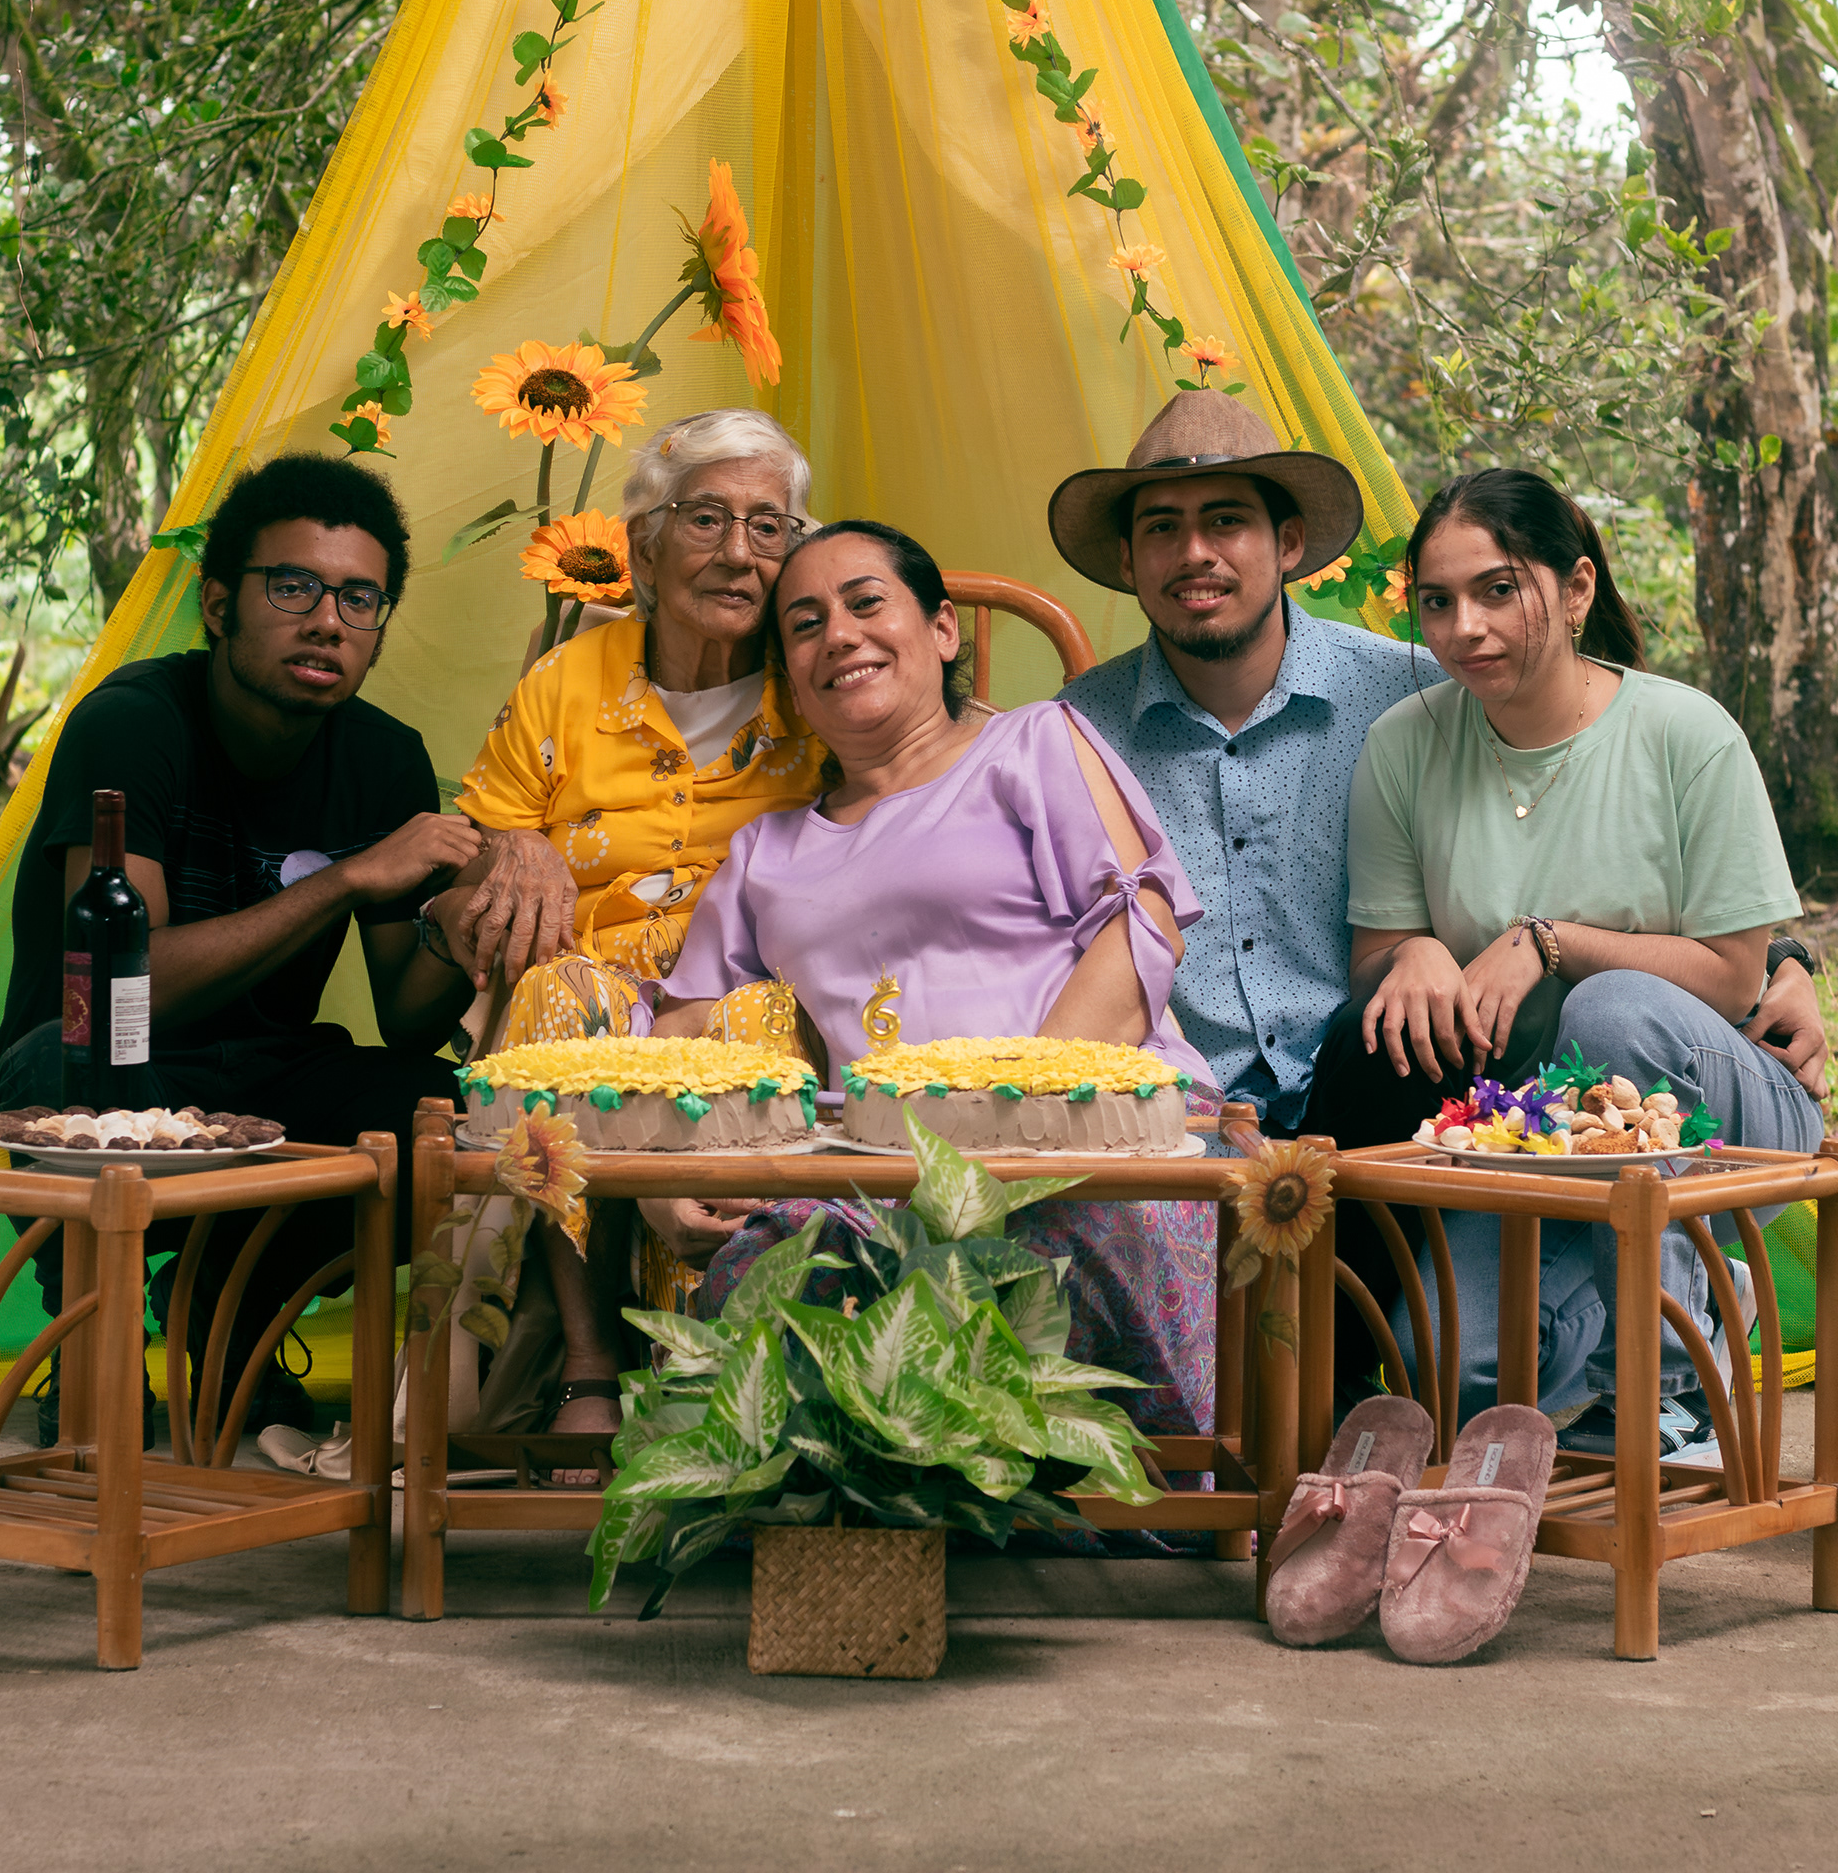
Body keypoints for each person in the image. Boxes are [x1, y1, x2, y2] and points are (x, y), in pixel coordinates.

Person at [0, 452, 537, 1426]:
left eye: (360, 599)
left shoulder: (383, 760)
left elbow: (408, 1019)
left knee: (448, 1114)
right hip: (97, 1066)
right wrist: (350, 879)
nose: (328, 620)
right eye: (293, 587)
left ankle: (224, 1301)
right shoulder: (132, 725)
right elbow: (125, 989)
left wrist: (455, 932)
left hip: (267, 1078)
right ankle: (88, 1337)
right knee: (73, 1067)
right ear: (217, 603)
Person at [643, 520, 1220, 1452]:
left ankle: (1123, 1503)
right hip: (874, 1165)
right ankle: (849, 1524)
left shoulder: (1032, 743)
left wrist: (1009, 1121)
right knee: (766, 1271)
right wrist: (658, 1183)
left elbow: (1137, 925)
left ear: (943, 630)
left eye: (867, 603)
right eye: (805, 625)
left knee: (1047, 1248)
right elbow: (684, 1033)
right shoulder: (765, 853)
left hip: (1092, 1127)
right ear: (790, 677)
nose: (839, 635)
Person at [1305, 466, 1827, 1456]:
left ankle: (1673, 1372)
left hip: (1721, 1107)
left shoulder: (1685, 733)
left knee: (1612, 1011)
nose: (1465, 628)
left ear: (1577, 586)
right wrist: (1414, 950)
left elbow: (1733, 975)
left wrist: (1554, 944)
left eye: (1499, 590)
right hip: (1538, 1130)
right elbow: (1379, 960)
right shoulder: (1404, 744)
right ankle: (1685, 1307)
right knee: (1442, 1362)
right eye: (1437, 602)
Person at [431, 410, 827, 1461]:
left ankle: (710, 1365)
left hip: (747, 978)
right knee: (558, 995)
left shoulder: (817, 682)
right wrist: (515, 845)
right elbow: (477, 845)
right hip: (586, 981)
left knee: (758, 1018)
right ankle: (589, 1359)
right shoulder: (568, 679)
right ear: (644, 548)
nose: (739, 552)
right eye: (707, 519)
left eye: (769, 527)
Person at [1048, 388, 1434, 1133]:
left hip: (1378, 1086)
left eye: (1226, 521)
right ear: (1128, 559)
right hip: (1169, 1114)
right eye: (1163, 527)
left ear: (1288, 544)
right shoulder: (1077, 730)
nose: (1195, 553)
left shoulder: (1406, 696)